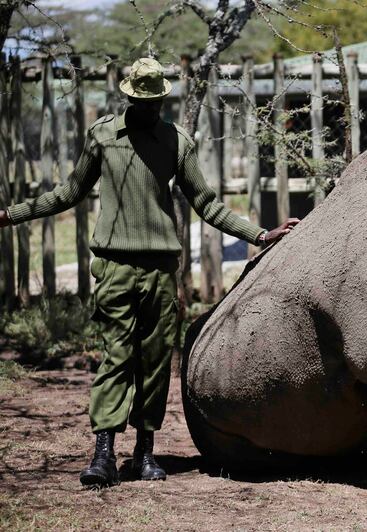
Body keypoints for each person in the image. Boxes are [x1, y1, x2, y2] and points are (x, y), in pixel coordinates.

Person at [0, 57, 299, 488]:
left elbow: (207, 203)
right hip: (116, 267)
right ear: (129, 97)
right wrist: (11, 215)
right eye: (145, 101)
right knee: (116, 358)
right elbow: (69, 192)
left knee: (155, 363)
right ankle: (103, 453)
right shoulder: (103, 136)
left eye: (158, 101)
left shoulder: (177, 141)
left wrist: (259, 234)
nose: (152, 108)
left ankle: (144, 452)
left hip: (160, 270)